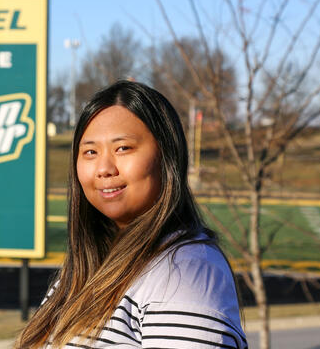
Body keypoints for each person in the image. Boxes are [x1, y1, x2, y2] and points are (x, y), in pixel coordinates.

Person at [16, 80, 247, 348]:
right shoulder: (83, 270)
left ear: (167, 155)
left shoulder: (183, 270)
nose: (104, 168)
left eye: (123, 148)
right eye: (90, 152)